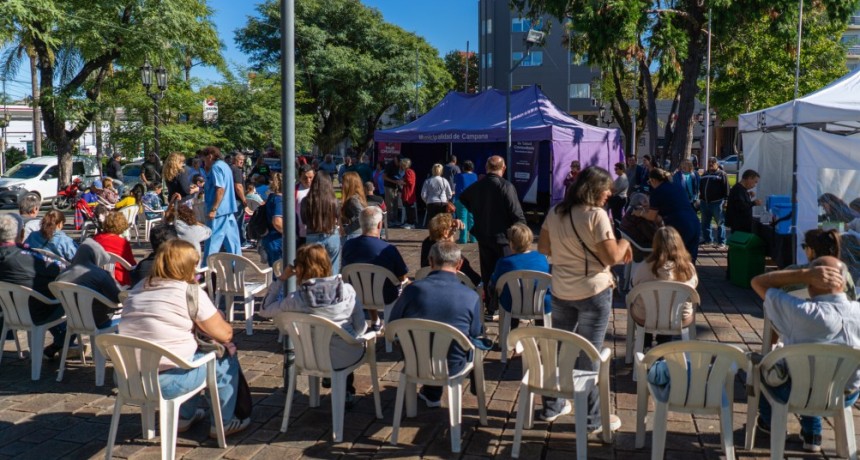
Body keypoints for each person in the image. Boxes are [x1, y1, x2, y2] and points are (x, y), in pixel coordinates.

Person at [120, 239, 250, 438]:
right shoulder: (189, 292)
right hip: (169, 381)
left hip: (129, 379)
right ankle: (223, 422)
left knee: (188, 356)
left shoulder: (138, 288)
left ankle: (184, 416)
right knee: (222, 356)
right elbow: (225, 334)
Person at [537, 165, 630, 430]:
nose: (609, 194)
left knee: (559, 348)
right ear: (594, 189)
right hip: (593, 290)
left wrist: (567, 254)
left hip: (562, 288)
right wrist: (625, 244)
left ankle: (552, 405)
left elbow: (544, 247)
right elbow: (612, 257)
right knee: (589, 353)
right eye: (606, 189)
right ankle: (592, 418)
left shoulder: (556, 212)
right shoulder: (596, 216)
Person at [750, 256, 860, 452]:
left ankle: (768, 423)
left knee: (764, 366)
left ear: (810, 284)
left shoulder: (800, 311)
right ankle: (812, 433)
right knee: (817, 374)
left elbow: (758, 282)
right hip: (845, 394)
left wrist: (803, 274)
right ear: (843, 282)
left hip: (797, 392)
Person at [260, 243, 367, 406]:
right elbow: (360, 327)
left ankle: (323, 387)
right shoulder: (347, 291)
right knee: (347, 340)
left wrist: (282, 278)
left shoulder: (294, 300)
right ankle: (345, 391)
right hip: (344, 356)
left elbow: (265, 310)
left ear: (299, 269)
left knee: (324, 341)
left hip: (309, 357)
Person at [388, 241, 482, 407]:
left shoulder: (413, 290)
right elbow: (474, 333)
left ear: (430, 261)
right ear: (459, 264)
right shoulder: (471, 296)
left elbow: (392, 324)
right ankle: (434, 393)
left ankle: (432, 393)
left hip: (415, 360)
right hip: (452, 365)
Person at [459, 155, 526, 319]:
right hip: (504, 237)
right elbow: (516, 213)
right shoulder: (506, 186)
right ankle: (508, 306)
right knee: (507, 272)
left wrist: (477, 211)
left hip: (485, 234)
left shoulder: (478, 186)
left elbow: (463, 198)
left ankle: (491, 307)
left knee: (488, 272)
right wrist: (522, 232)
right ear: (503, 168)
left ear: (487, 168)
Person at [0, 214, 69, 360]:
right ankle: (62, 342)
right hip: (35, 311)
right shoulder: (27, 256)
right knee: (73, 307)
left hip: (6, 312)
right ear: (20, 234)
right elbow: (59, 269)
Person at [342, 206, 409, 329]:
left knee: (367, 281)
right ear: (379, 225)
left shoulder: (348, 246)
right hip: (385, 296)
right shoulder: (388, 249)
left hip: (357, 293)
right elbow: (402, 276)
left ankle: (375, 320)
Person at [630, 227, 698, 344]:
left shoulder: (645, 266)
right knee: (670, 309)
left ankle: (645, 343)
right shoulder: (688, 268)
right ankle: (664, 344)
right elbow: (693, 286)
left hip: (645, 317)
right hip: (679, 317)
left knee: (640, 305)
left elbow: (634, 283)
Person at [490, 223, 551, 330]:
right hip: (541, 304)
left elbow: (495, 284)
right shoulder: (542, 257)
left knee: (511, 294)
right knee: (537, 292)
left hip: (512, 305)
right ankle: (542, 333)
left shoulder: (504, 262)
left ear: (511, 243)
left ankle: (512, 331)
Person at [635, 168, 701, 261]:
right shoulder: (676, 186)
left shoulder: (657, 192)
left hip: (680, 226)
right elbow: (671, 204)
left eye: (649, 181)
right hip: (694, 221)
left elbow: (651, 216)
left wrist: (640, 213)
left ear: (653, 180)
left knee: (676, 258)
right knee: (690, 259)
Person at [56, 239, 122, 328]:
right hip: (98, 321)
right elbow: (117, 297)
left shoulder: (62, 274)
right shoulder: (100, 274)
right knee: (128, 318)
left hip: (72, 321)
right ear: (96, 257)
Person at [782, 229, 856, 300]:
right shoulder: (844, 276)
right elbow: (852, 299)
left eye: (804, 246)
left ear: (811, 250)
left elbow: (774, 296)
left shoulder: (791, 272)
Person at [201, 146, 241, 262]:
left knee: (212, 241)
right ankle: (238, 268)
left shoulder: (216, 167)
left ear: (210, 156)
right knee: (233, 243)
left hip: (219, 211)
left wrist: (213, 209)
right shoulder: (225, 166)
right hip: (228, 209)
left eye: (204, 160)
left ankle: (206, 270)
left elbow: (220, 189)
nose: (204, 164)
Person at [419, 213, 480, 286]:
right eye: (452, 228)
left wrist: (451, 223)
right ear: (445, 232)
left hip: (429, 283)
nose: (454, 231)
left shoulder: (427, 242)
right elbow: (475, 280)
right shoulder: (450, 253)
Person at [301, 173, 342, 274]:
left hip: (312, 235)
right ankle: (331, 288)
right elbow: (338, 217)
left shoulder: (306, 201)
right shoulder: (334, 201)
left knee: (314, 271)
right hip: (331, 234)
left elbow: (304, 220)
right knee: (333, 269)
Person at [93, 211, 137, 286]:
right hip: (118, 280)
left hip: (96, 277)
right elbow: (131, 264)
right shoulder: (122, 243)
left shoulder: (96, 239)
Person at [619, 193, 661, 264]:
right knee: (667, 245)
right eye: (647, 202)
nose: (649, 206)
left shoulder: (630, 211)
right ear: (643, 204)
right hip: (640, 248)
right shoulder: (639, 215)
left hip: (633, 245)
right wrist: (659, 222)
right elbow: (653, 235)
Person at [699, 157, 730, 248]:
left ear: (717, 164)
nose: (711, 164)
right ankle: (708, 240)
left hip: (717, 203)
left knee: (720, 223)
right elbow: (701, 186)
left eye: (713, 162)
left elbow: (726, 188)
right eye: (709, 162)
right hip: (704, 202)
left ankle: (722, 242)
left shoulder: (721, 174)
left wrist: (726, 200)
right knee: (705, 223)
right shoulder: (704, 174)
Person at [726, 169, 761, 234]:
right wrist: (754, 203)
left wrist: (748, 194)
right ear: (749, 178)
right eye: (755, 182)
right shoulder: (738, 190)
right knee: (739, 242)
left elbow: (741, 200)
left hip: (742, 224)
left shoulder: (741, 189)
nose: (755, 185)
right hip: (739, 225)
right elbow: (741, 206)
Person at [261, 172, 284, 266]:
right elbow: (277, 221)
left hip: (268, 238)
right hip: (276, 239)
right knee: (279, 270)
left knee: (274, 269)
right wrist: (291, 235)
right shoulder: (279, 200)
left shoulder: (271, 197)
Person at [230, 152, 251, 249]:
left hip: (231, 200)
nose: (242, 161)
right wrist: (244, 200)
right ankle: (241, 241)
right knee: (239, 222)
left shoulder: (229, 169)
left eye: (243, 160)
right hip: (237, 200)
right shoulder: (236, 170)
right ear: (234, 160)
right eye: (240, 159)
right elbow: (238, 186)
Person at [453, 160, 478, 244]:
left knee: (462, 219)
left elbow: (455, 184)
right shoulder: (475, 176)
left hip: (461, 199)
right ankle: (473, 238)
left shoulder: (459, 176)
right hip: (472, 199)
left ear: (463, 167)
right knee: (471, 219)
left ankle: (463, 239)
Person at [340, 172, 367, 240]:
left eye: (343, 183)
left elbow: (361, 217)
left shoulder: (353, 200)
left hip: (353, 235)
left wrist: (346, 230)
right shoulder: (357, 198)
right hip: (356, 233)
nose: (341, 185)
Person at [382, 157, 403, 226]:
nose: (399, 164)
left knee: (395, 204)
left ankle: (395, 220)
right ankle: (388, 221)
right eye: (399, 162)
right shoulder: (389, 165)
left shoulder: (399, 166)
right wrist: (394, 181)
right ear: (396, 159)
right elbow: (384, 177)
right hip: (389, 187)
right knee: (389, 204)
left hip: (396, 187)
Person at [296, 164, 314, 242]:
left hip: (315, 233)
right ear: (299, 177)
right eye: (305, 178)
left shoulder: (319, 189)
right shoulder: (294, 190)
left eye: (311, 177)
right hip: (299, 233)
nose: (308, 180)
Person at [400, 158, 417, 229]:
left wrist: (402, 182)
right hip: (407, 192)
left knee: (409, 208)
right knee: (407, 208)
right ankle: (408, 222)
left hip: (408, 193)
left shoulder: (408, 171)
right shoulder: (408, 171)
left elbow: (410, 182)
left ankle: (411, 223)